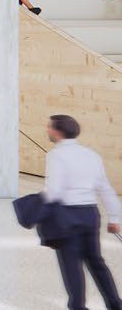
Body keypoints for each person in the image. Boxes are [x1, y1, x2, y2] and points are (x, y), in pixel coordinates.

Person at [42, 114, 122, 309]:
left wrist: (35, 206)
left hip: (67, 217)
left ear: (58, 131)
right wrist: (114, 217)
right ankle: (115, 304)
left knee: (71, 265)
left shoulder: (55, 155)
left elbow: (53, 192)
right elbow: (105, 188)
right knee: (96, 263)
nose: (47, 130)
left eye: (49, 127)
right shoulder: (91, 155)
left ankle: (77, 306)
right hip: (90, 215)